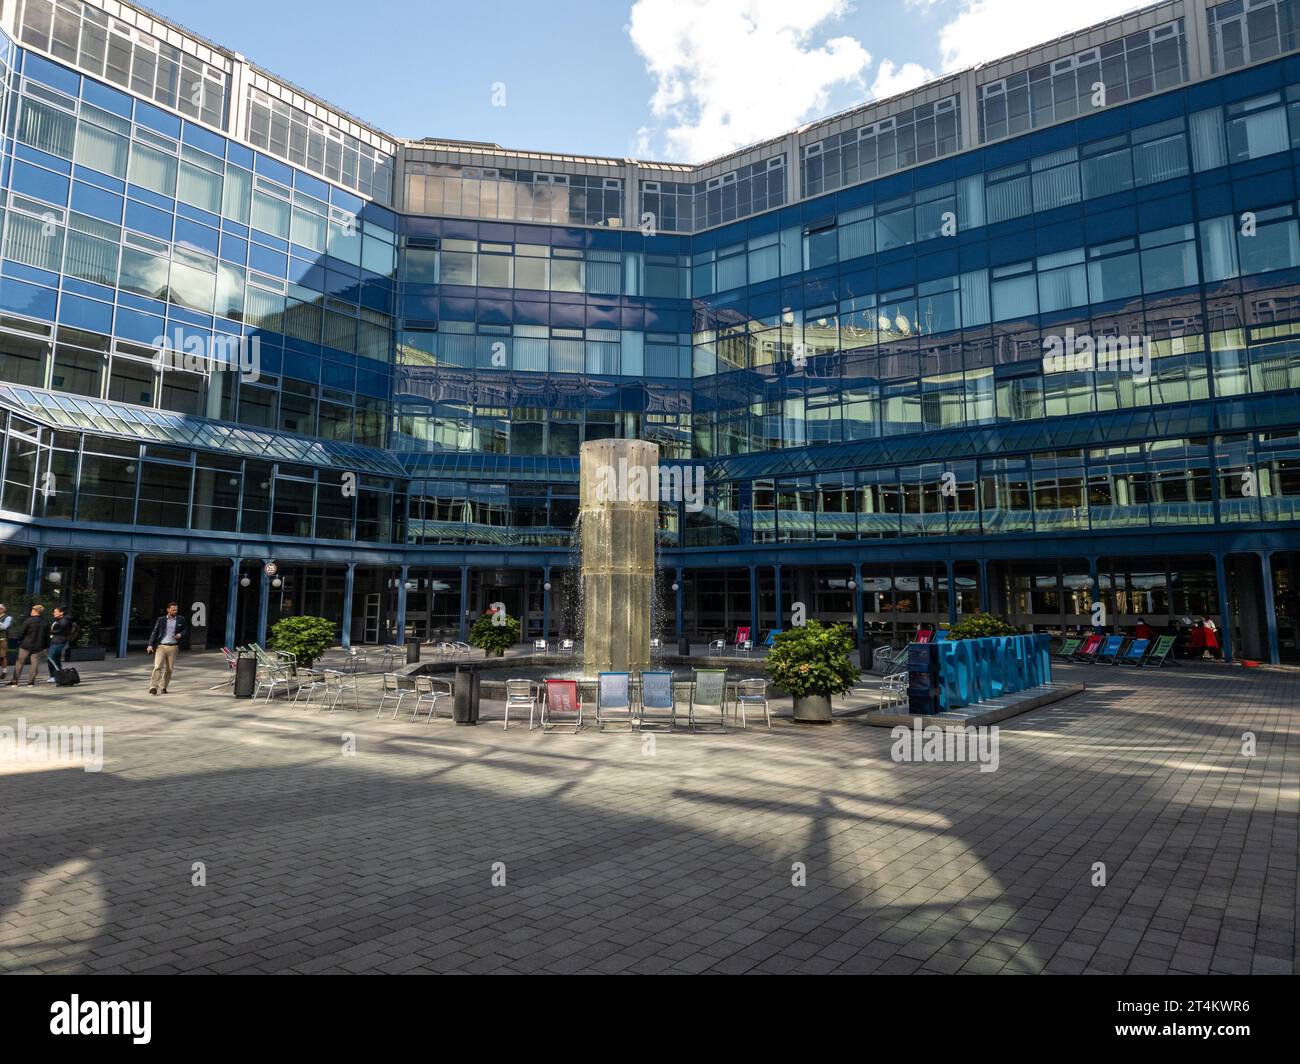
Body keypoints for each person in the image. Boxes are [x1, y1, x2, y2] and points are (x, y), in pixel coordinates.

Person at [146, 602, 187, 695]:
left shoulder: (181, 619)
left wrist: (181, 634)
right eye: (173, 610)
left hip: (173, 647)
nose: (175, 611)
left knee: (169, 669)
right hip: (161, 646)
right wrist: (150, 645)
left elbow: (185, 630)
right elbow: (155, 632)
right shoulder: (161, 619)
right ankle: (153, 687)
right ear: (168, 610)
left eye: (176, 610)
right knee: (158, 667)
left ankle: (163, 686)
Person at [8, 604, 50, 686]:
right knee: (34, 664)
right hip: (38, 646)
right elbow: (47, 637)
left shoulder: (28, 621)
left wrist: (19, 641)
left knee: (19, 662)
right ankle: (30, 682)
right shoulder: (45, 622)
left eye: (32, 610)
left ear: (34, 611)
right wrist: (45, 647)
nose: (31, 611)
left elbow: (22, 633)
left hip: (25, 645)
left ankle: (14, 681)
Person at [46, 607, 78, 683]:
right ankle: (59, 676)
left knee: (50, 659)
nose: (54, 613)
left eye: (55, 612)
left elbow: (59, 630)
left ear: (61, 613)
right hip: (57, 641)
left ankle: (54, 676)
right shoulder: (60, 620)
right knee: (56, 659)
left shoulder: (64, 621)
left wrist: (49, 632)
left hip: (58, 642)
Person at [0, 603, 12, 680]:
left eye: (0, 608)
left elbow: (4, 627)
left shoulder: (8, 617)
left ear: (4, 609)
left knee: (2, 656)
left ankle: (4, 671)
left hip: (2, 639)